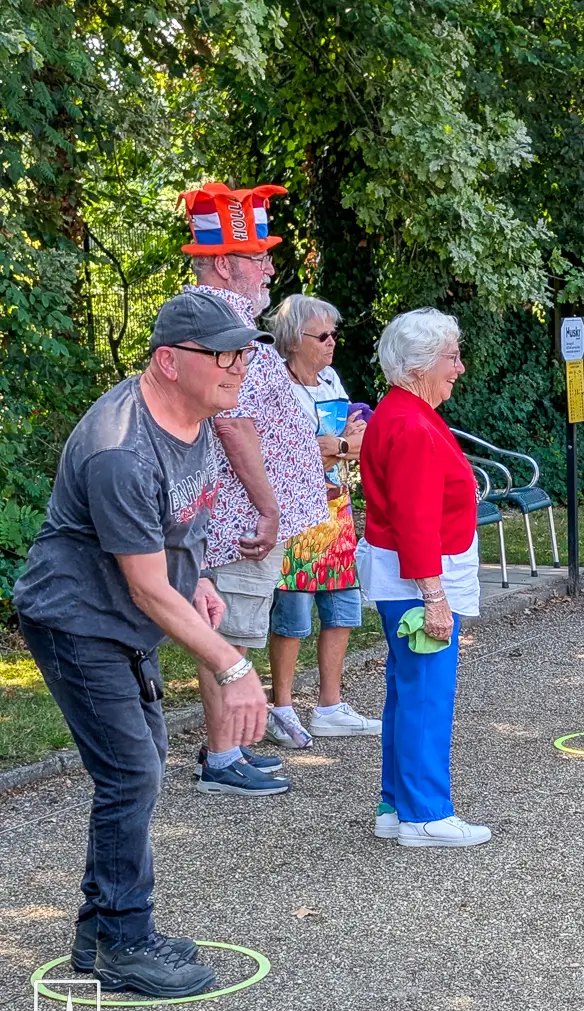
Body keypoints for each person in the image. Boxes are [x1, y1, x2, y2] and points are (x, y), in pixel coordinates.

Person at [13, 293, 270, 996]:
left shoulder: (196, 419)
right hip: (77, 618)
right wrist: (232, 664)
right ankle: (125, 942)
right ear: (169, 361)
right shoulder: (120, 448)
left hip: (124, 616)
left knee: (142, 762)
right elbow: (149, 587)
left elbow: (180, 525)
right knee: (131, 771)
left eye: (242, 353)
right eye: (224, 354)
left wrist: (202, 577)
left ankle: (99, 930)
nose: (238, 366)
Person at [180, 181, 326, 796]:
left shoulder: (229, 319)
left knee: (237, 632)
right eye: (257, 257)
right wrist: (268, 508)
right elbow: (233, 422)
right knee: (230, 636)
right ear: (223, 264)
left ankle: (232, 747)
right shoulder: (221, 323)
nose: (269, 269)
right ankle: (221, 759)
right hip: (239, 520)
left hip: (245, 518)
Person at [355, 309, 489, 847]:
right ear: (418, 366)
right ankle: (425, 813)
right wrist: (435, 597)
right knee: (427, 695)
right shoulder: (411, 423)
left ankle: (397, 804)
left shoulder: (403, 413)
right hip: (419, 580)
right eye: (451, 357)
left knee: (408, 690)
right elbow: (414, 518)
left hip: (408, 575)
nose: (459, 367)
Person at [263, 295, 381, 746]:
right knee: (292, 615)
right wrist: (340, 445)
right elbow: (291, 453)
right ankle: (283, 708)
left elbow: (351, 439)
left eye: (334, 334)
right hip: (296, 514)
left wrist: (339, 443)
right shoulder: (279, 386)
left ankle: (330, 706)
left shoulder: (330, 379)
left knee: (342, 610)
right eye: (323, 335)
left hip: (336, 509)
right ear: (294, 340)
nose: (332, 343)